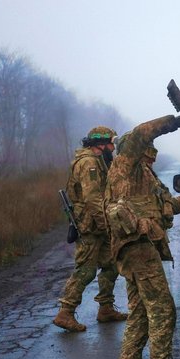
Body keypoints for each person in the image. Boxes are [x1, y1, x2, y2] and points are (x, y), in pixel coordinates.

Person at [104, 115, 180, 359]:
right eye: (149, 154)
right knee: (163, 308)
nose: (152, 159)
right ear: (140, 150)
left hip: (139, 247)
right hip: (137, 246)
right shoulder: (126, 165)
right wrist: (177, 121)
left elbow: (165, 207)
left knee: (141, 310)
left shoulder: (144, 177)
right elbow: (143, 131)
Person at [53, 126, 126, 332]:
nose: (113, 148)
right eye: (111, 143)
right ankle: (65, 313)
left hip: (96, 224)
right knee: (85, 269)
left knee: (111, 264)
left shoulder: (96, 160)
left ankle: (106, 308)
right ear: (101, 144)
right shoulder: (89, 163)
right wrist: (107, 224)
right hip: (91, 226)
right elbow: (93, 199)